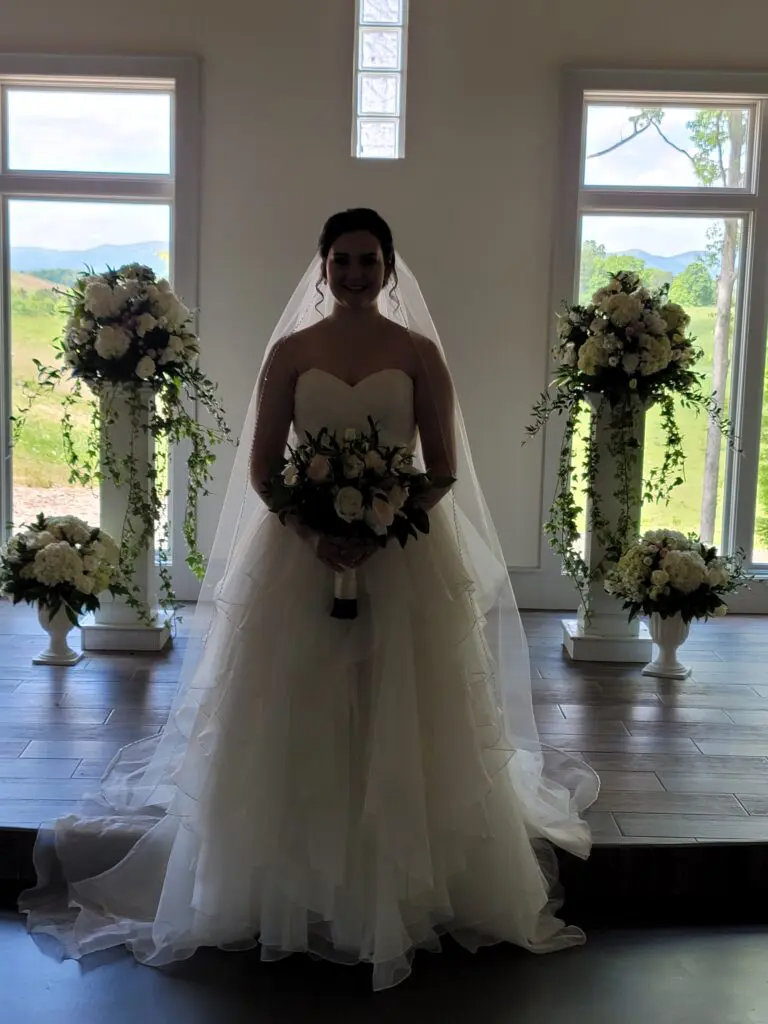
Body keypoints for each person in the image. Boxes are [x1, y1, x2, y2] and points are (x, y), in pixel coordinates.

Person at [19, 208, 599, 992]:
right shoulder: (291, 353)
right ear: (321, 266)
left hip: (402, 559)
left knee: (403, 707)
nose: (356, 274)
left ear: (389, 267)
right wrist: (313, 529)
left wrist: (386, 517)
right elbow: (263, 469)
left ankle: (395, 883)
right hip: (299, 555)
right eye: (343, 260)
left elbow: (443, 468)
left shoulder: (420, 352)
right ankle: (288, 883)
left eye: (369, 261)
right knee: (297, 708)